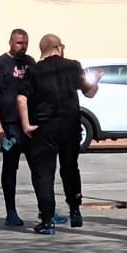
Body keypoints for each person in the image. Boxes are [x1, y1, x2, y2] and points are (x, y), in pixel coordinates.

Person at [22, 34, 99, 235]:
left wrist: (26, 125)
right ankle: (75, 210)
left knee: (44, 173)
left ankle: (47, 220)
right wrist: (96, 80)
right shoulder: (73, 66)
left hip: (44, 128)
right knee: (70, 168)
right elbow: (89, 92)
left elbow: (21, 98)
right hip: (70, 125)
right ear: (59, 47)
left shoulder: (34, 70)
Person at [0, 29, 36, 227]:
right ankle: (11, 211)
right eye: (18, 43)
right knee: (10, 167)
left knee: (39, 167)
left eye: (25, 43)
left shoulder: (31, 63)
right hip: (10, 125)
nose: (22, 46)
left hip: (30, 125)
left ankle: (45, 210)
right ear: (10, 42)